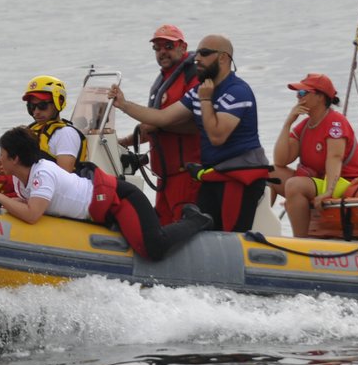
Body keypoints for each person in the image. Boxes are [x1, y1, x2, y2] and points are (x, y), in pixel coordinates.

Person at [109, 34, 270, 232]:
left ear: (223, 58)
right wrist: (123, 104)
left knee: (229, 236)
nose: (197, 58)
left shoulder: (237, 92)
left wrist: (205, 101)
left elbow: (217, 136)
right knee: (199, 232)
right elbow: (163, 117)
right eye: (197, 53)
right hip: (214, 175)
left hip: (239, 177)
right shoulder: (200, 92)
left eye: (204, 53)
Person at [0, 127, 211, 261]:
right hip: (100, 212)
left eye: (3, 153)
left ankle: (194, 220)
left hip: (120, 200)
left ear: (15, 158)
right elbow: (29, 203)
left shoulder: (42, 173)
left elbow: (33, 214)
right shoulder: (19, 177)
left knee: (153, 248)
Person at [117, 24, 202, 224]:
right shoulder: (162, 81)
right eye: (157, 47)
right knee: (163, 227)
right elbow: (151, 127)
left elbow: (199, 124)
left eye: (168, 46)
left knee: (180, 228)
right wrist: (122, 143)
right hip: (164, 176)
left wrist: (160, 126)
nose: (162, 51)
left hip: (186, 175)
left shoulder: (193, 75)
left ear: (183, 47)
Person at [271, 73, 358, 237]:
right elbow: (281, 160)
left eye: (303, 93)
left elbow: (334, 158)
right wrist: (288, 123)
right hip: (320, 181)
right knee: (270, 173)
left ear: (320, 97)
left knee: (294, 185)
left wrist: (328, 191)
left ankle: (300, 242)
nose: (298, 97)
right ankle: (256, 229)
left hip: (347, 182)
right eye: (297, 93)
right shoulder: (304, 126)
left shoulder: (335, 122)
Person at [21, 75, 89, 173]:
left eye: (42, 106)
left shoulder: (65, 134)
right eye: (31, 106)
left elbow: (63, 176)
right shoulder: (31, 130)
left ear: (59, 101)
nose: (36, 112)